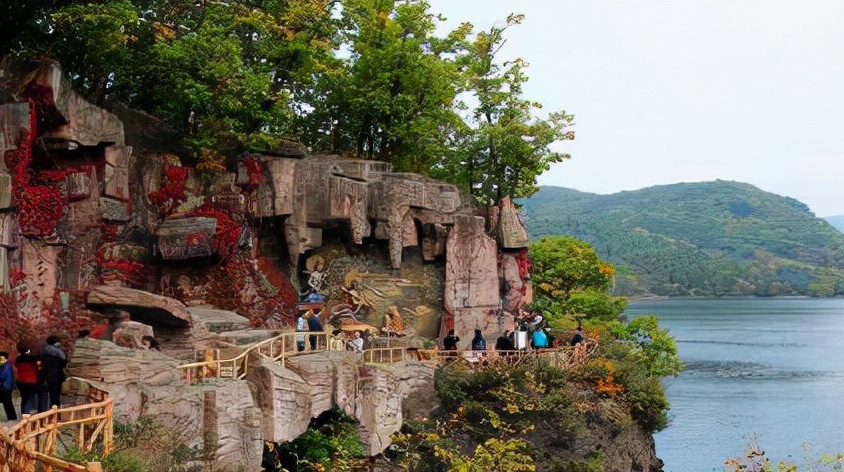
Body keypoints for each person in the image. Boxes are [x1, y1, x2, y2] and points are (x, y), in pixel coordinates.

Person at [14, 344, 41, 414]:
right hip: (31, 380)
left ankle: (23, 412)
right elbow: (39, 367)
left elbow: (16, 365)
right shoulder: (33, 358)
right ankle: (26, 412)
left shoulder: (18, 359)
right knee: (29, 397)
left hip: (20, 380)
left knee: (24, 397)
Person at [42, 335, 68, 408]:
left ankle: (47, 408)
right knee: (56, 394)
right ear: (55, 342)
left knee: (47, 394)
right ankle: (56, 408)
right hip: (56, 375)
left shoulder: (43, 350)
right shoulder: (58, 352)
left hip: (45, 374)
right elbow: (64, 361)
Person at [0, 351, 17, 420]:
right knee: (7, 402)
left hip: (6, 387)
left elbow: (2, 376)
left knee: (7, 403)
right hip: (6, 386)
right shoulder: (5, 365)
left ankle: (12, 417)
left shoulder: (6, 366)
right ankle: (12, 417)